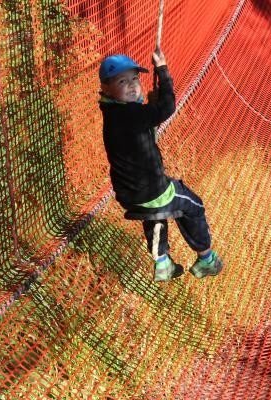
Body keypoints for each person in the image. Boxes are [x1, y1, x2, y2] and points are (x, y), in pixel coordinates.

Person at [98, 49, 223, 282]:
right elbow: (166, 109)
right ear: (106, 89)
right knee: (193, 205)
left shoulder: (113, 113)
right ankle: (206, 258)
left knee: (154, 214)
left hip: (130, 194)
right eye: (122, 81)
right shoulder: (130, 114)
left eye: (135, 79)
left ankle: (163, 264)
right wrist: (163, 71)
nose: (132, 85)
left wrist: (148, 107)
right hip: (152, 189)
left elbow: (142, 123)